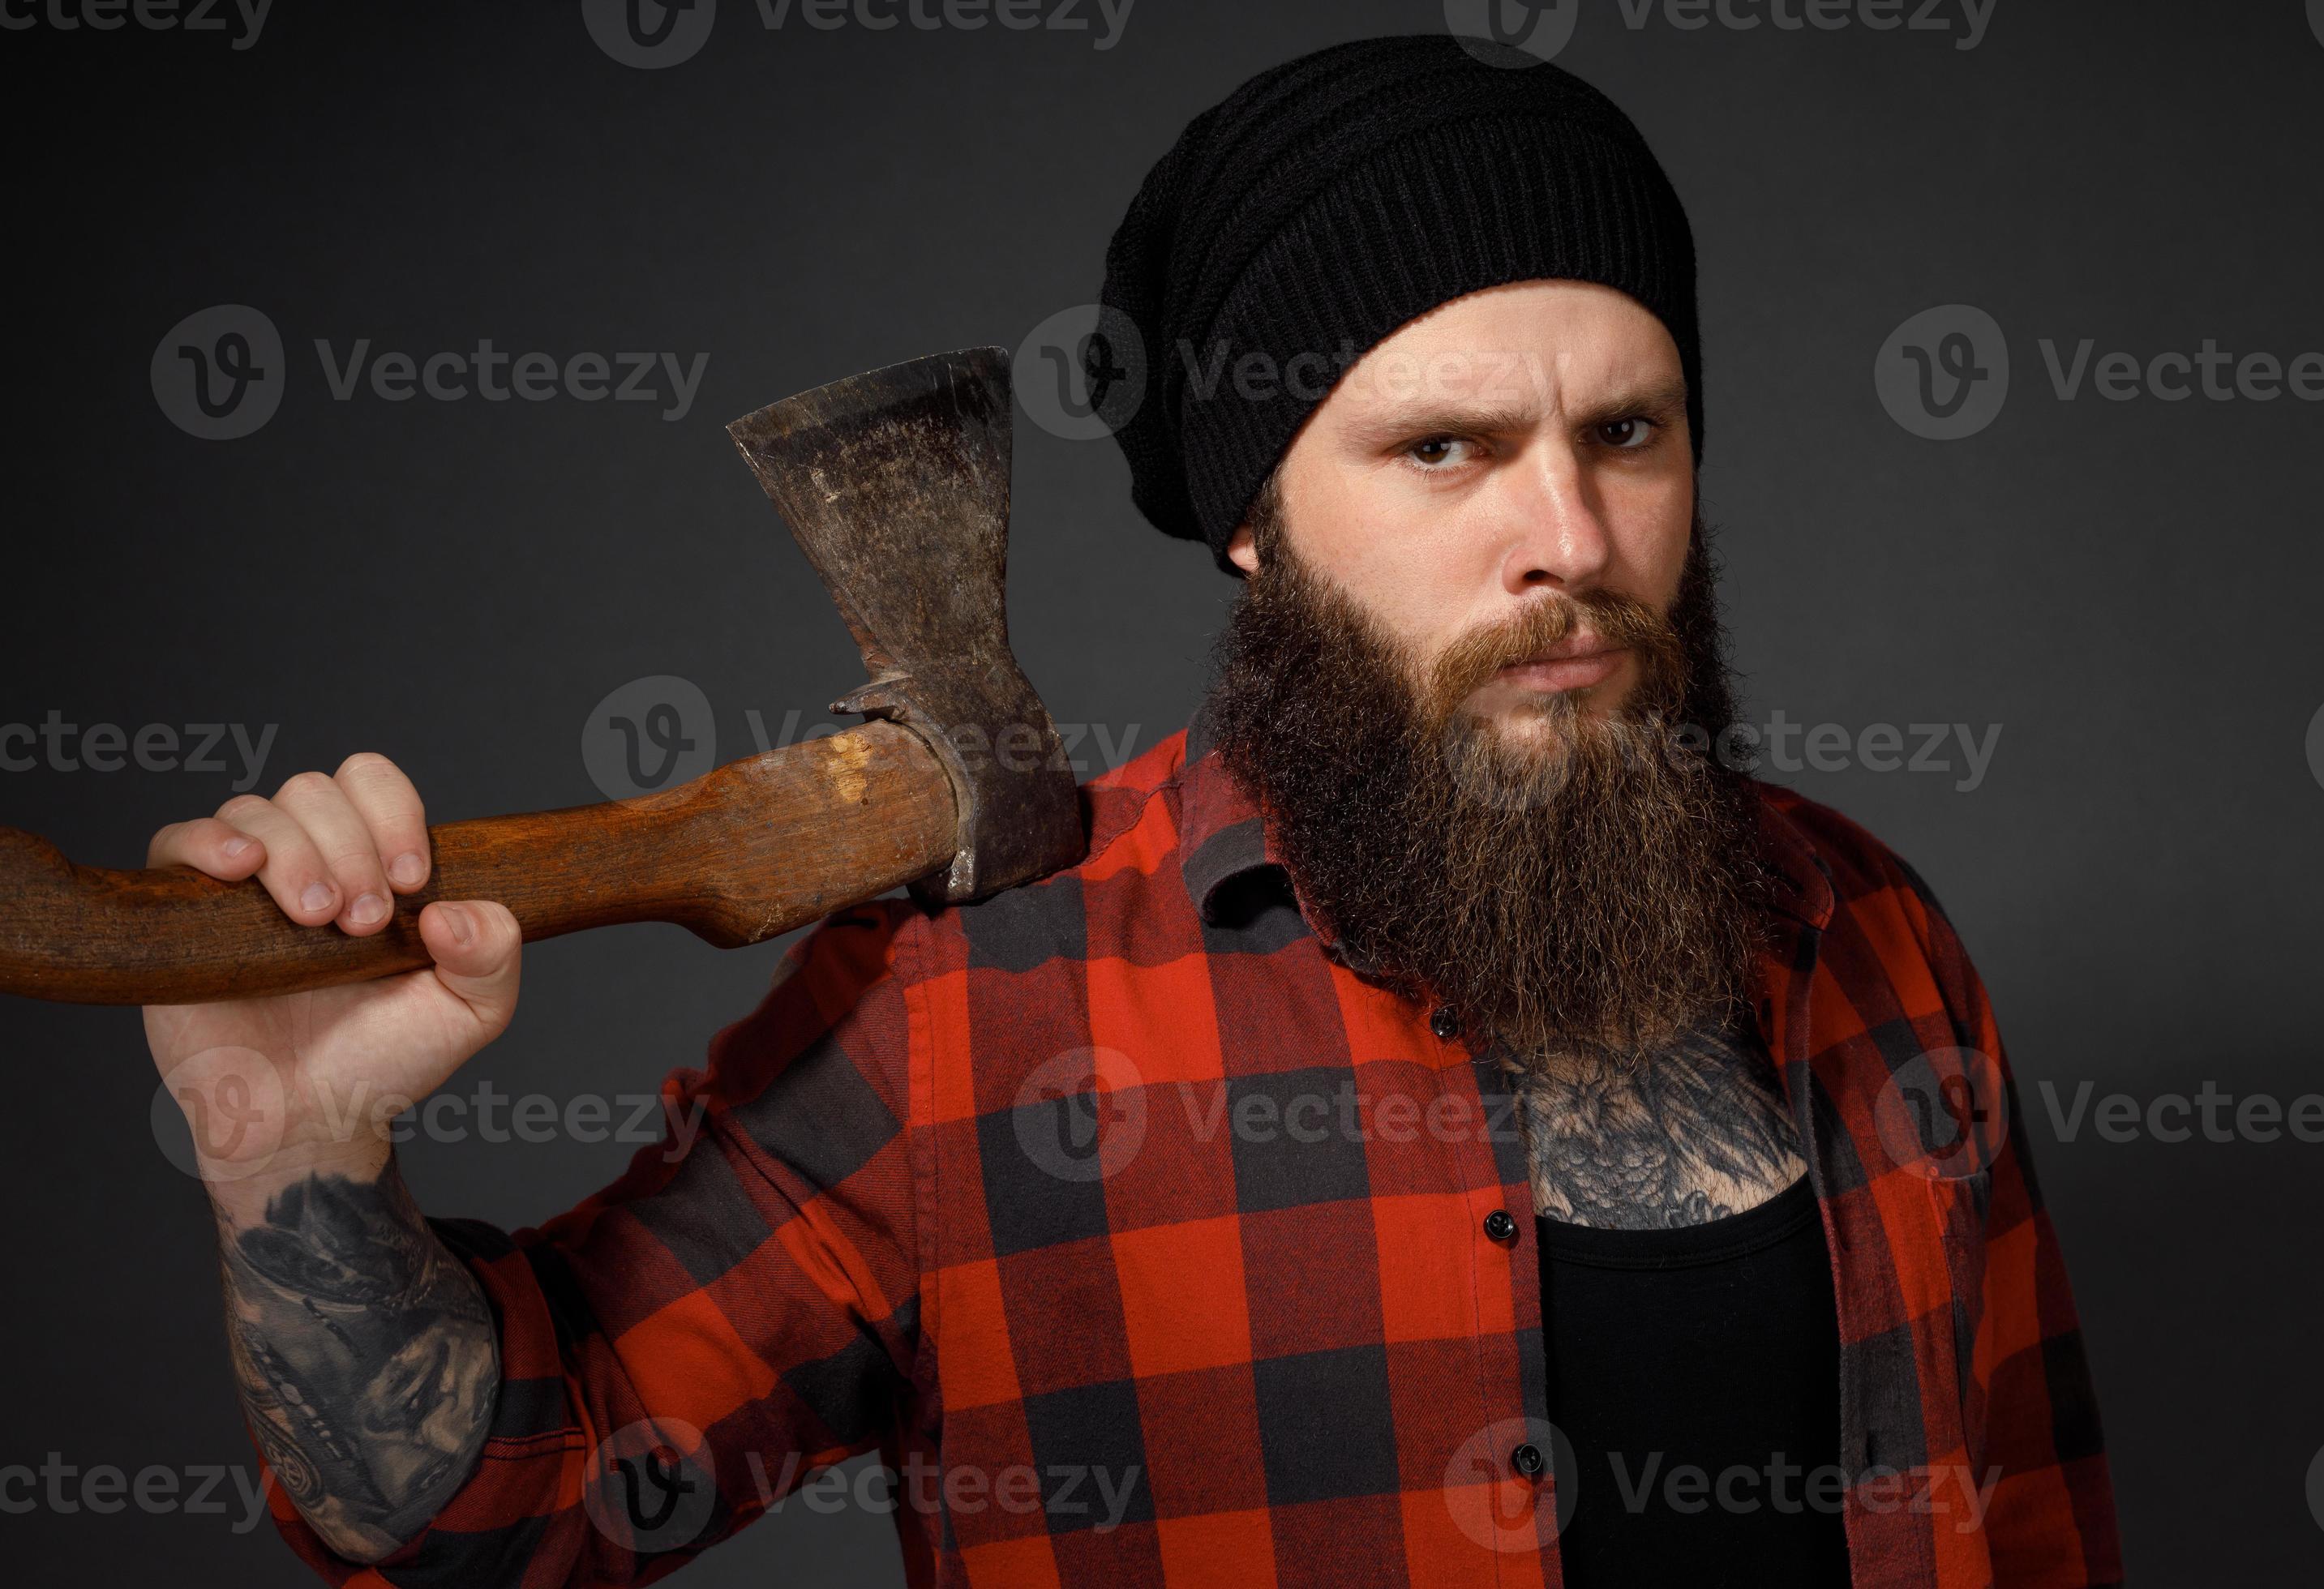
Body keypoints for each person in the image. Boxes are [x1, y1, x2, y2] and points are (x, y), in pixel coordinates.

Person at [146, 33, 2120, 1587]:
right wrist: (288, 1152)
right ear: (1257, 519)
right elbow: (517, 1510)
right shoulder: (971, 1004)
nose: (1573, 538)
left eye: (1628, 430)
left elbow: (2030, 1525)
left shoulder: (1868, 931)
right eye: (1444, 447)